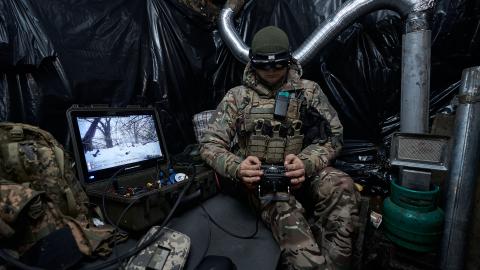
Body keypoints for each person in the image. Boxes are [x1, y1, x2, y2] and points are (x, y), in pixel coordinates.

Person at [200, 26, 360, 270]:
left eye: (278, 64)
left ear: (289, 61)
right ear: (253, 63)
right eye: (265, 65)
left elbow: (334, 137)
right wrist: (237, 168)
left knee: (341, 185)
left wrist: (305, 163)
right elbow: (210, 143)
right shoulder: (238, 97)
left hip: (302, 175)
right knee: (284, 207)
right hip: (260, 184)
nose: (272, 71)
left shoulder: (308, 92)